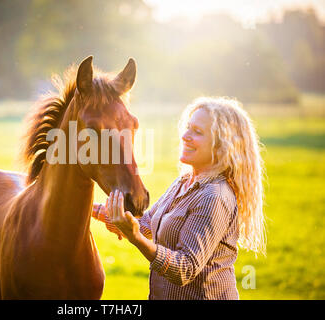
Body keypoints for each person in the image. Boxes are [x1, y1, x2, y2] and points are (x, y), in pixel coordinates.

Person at [92, 96, 266, 300]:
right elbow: (148, 224)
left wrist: (135, 238)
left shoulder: (214, 196)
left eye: (197, 132)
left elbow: (184, 269)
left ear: (222, 146)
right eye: (188, 128)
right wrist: (89, 210)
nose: (185, 136)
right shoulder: (184, 182)